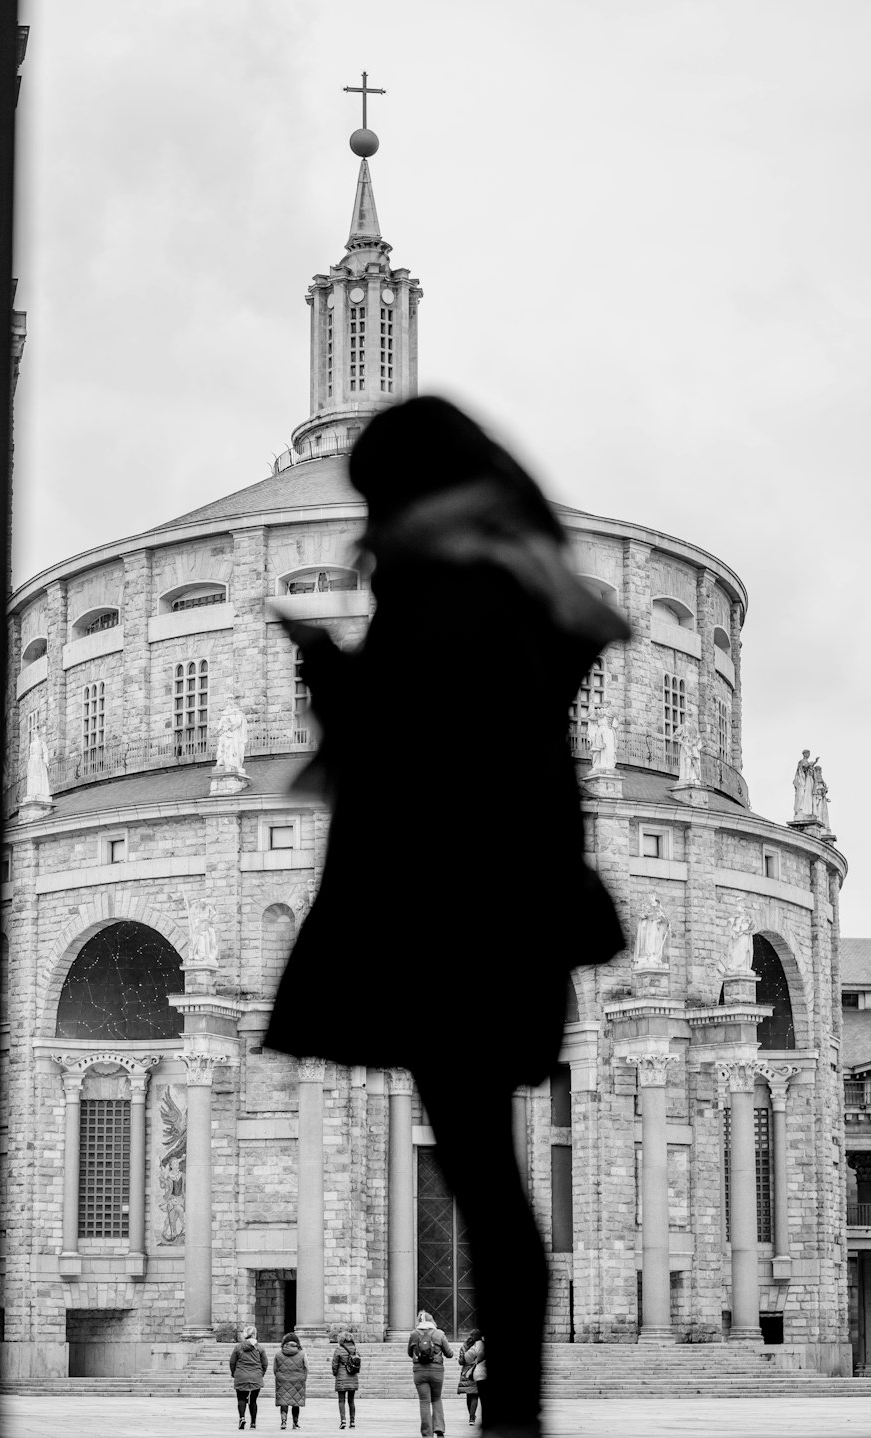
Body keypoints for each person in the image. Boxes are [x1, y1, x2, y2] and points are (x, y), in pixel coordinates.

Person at [265, 396, 629, 1438]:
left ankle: (512, 1417)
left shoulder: (458, 583)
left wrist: (332, 676)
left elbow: (435, 742)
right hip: (493, 919)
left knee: (486, 1187)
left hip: (452, 922)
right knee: (490, 1181)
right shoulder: (504, 573)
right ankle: (513, 1413)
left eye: (380, 493)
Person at [408, 1309, 454, 1438]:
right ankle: (439, 1428)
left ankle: (427, 1434)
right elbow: (449, 1354)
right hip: (437, 1371)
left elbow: (409, 1353)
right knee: (436, 1399)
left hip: (419, 1371)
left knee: (424, 1401)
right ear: (432, 1320)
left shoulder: (414, 1334)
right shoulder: (439, 1334)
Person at [229, 1325, 268, 1430]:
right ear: (255, 1334)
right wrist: (261, 1374)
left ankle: (242, 1418)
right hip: (256, 1376)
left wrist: (234, 1373)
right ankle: (253, 1423)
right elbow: (265, 1363)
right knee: (253, 1400)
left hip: (241, 1375)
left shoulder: (238, 1347)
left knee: (241, 1398)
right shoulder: (260, 1348)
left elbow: (232, 1362)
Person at [273, 1331, 307, 1430]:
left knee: (284, 1401)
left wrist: (280, 1376)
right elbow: (306, 1367)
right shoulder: (302, 1354)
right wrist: (303, 1378)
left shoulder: (278, 1354)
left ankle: (283, 1421)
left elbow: (275, 1369)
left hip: (282, 1379)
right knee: (296, 1402)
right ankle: (295, 1423)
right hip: (298, 1380)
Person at [331, 1330, 360, 1429]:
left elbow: (334, 1364)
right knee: (351, 1401)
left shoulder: (339, 1349)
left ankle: (343, 1421)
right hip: (353, 1376)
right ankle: (352, 1422)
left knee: (341, 1400)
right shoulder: (355, 1349)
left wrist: (335, 1373)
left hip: (341, 1377)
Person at [457, 1328, 483, 1426]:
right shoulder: (481, 1345)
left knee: (469, 1395)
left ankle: (471, 1417)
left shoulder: (465, 1346)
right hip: (478, 1371)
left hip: (466, 1372)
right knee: (475, 1395)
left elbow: (461, 1361)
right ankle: (472, 1417)